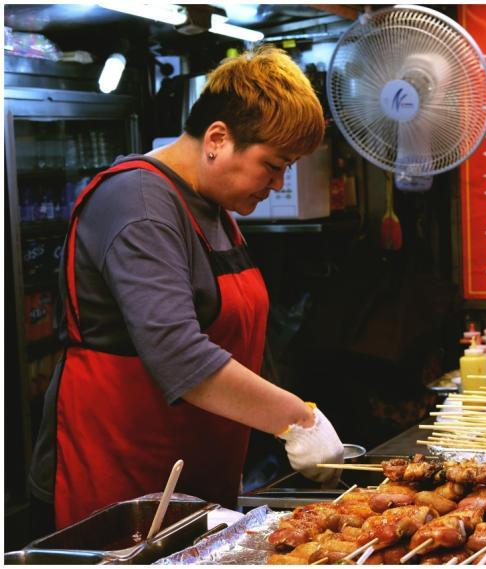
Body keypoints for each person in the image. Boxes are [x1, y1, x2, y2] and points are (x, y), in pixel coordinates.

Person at [29, 46, 344, 530]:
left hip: (192, 478)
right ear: (217, 138)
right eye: (273, 164)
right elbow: (178, 354)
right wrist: (298, 419)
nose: (279, 182)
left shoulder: (213, 205)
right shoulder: (140, 203)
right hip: (120, 482)